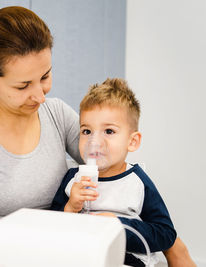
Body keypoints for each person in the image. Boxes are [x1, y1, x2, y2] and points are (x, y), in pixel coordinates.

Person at [0, 6, 195, 267]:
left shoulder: (55, 114)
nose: (40, 95)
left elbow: (112, 167)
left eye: (45, 76)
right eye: (23, 85)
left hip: (61, 251)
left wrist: (173, 246)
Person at [50, 78, 175, 266]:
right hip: (81, 254)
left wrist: (119, 226)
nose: (95, 141)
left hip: (126, 258)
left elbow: (165, 234)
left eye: (108, 131)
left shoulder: (137, 182)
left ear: (132, 142)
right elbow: (50, 226)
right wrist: (70, 207)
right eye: (86, 131)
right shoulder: (72, 179)